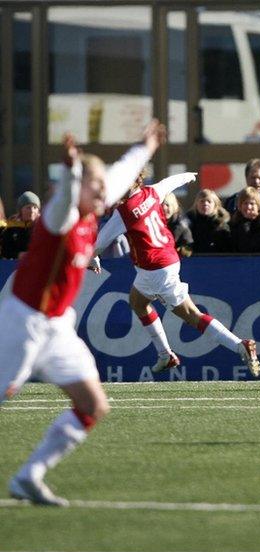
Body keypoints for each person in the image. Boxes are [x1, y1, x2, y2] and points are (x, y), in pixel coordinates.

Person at [0, 122, 163, 506]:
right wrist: (73, 171)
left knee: (93, 405)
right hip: (21, 323)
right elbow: (65, 199)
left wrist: (145, 147)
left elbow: (121, 174)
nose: (104, 188)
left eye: (102, 183)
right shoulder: (61, 216)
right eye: (95, 183)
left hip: (56, 328)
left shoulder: (94, 209)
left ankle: (29, 476)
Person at [92, 172, 260, 377]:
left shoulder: (125, 211)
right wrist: (189, 176)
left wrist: (94, 258)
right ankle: (165, 354)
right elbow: (169, 182)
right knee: (137, 301)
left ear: (134, 181)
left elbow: (99, 243)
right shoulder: (152, 192)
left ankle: (239, 345)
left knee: (192, 315)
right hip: (166, 261)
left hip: (155, 270)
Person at [186, 189, 231, 253]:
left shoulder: (222, 225)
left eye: (209, 201)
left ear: (215, 205)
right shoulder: (187, 224)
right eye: (202, 201)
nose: (205, 204)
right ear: (196, 204)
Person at [1, 192, 42, 259]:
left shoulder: (42, 227)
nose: (32, 211)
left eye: (35, 207)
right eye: (28, 207)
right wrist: (19, 255)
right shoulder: (11, 226)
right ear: (21, 210)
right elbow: (5, 250)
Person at [161, 193, 193, 257]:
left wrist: (180, 250)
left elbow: (188, 248)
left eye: (167, 205)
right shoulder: (152, 223)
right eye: (161, 205)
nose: (164, 208)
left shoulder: (182, 226)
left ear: (174, 207)